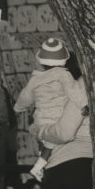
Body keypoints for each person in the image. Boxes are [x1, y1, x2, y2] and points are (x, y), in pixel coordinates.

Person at [14, 38, 77, 180]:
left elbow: (24, 98)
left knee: (47, 145)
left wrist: (18, 108)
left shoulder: (35, 78)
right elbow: (75, 93)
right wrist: (84, 106)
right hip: (57, 118)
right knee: (52, 145)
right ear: (63, 60)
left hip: (40, 120)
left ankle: (40, 167)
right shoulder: (64, 75)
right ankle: (38, 168)